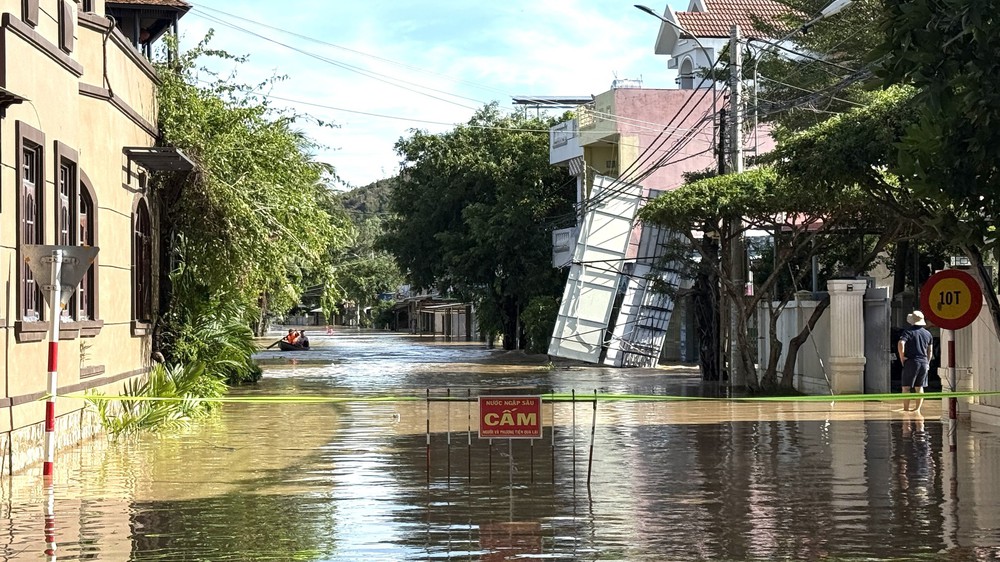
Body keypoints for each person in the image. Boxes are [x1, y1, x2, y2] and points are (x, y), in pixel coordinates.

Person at [898, 310, 933, 413]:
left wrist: (902, 357)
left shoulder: (908, 332)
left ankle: (906, 409)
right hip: (923, 362)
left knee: (906, 387)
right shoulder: (928, 334)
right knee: (919, 387)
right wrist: (927, 362)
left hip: (911, 361)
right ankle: (917, 409)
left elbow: (901, 343)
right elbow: (930, 351)